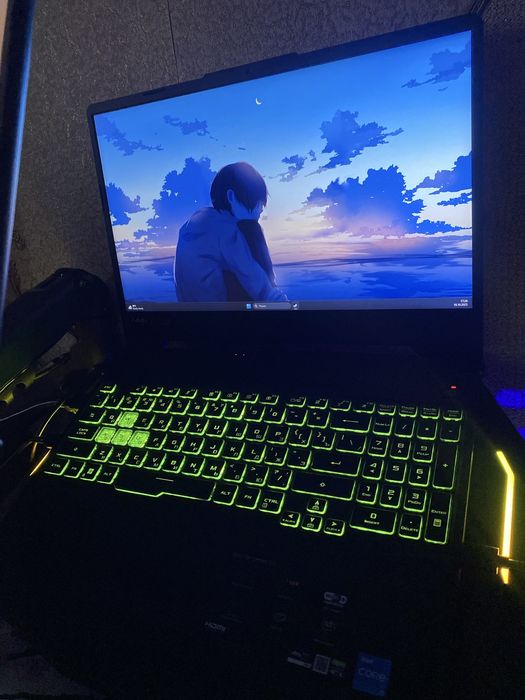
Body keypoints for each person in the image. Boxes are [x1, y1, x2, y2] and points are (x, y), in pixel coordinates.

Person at [175, 162, 287, 302]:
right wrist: (282, 303)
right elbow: (250, 274)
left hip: (190, 309)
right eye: (257, 203)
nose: (261, 210)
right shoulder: (224, 228)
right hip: (223, 310)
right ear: (231, 197)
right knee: (252, 229)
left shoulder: (190, 226)